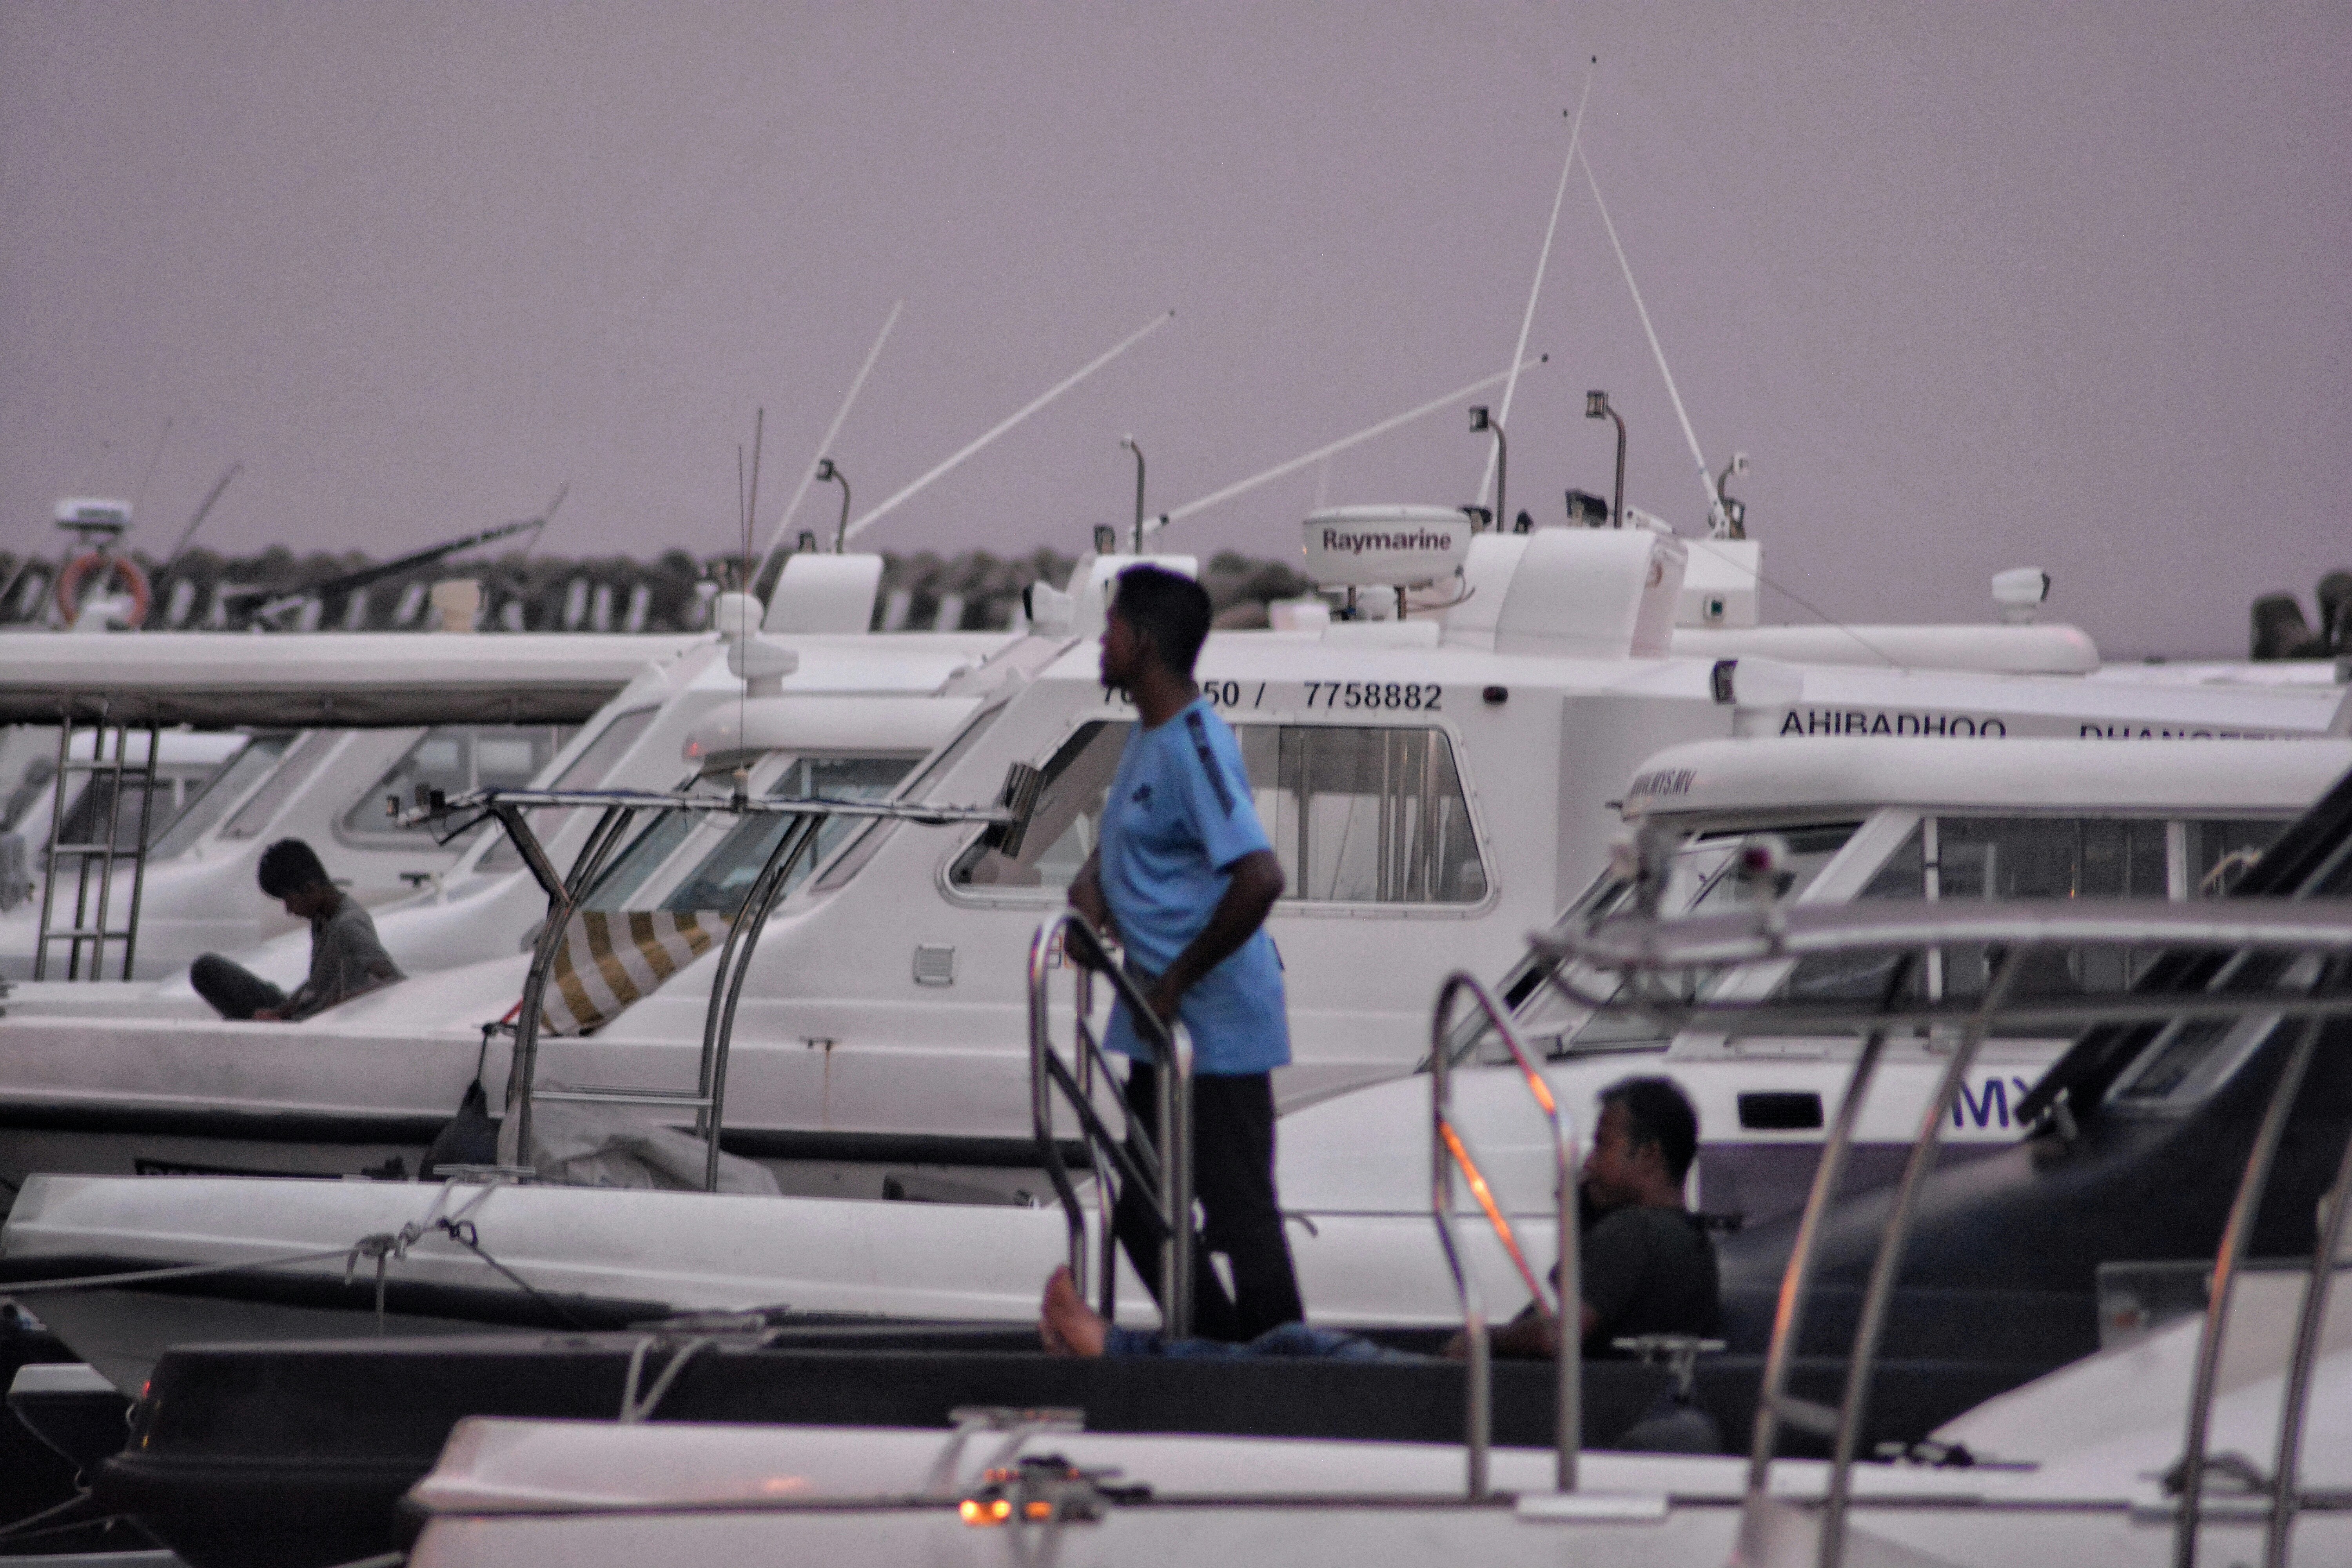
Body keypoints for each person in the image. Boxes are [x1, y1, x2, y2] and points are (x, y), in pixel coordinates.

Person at [1038, 1075, 1719, 1363]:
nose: (1590, 1162)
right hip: (1534, 1395)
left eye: (1603, 1144)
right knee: (1291, 1350)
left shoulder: (1636, 1234)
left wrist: (1480, 1342)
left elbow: (1560, 1334)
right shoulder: (1689, 1245)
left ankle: (1115, 1348)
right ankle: (1118, 1345)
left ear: (1650, 1154)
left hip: (1483, 1399)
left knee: (1294, 1347)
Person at [1067, 564, 1304, 1341]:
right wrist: (1096, 884)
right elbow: (1137, 836)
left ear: (1140, 642)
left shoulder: (1196, 744)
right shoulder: (1147, 738)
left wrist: (1176, 979)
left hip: (1211, 1025)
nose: (1100, 643)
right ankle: (1217, 1353)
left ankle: (1289, 1372)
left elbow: (1260, 876)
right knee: (1141, 1210)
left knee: (1239, 1214)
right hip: (1158, 1024)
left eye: (1109, 630)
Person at [190, 838, 403, 1021]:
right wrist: (280, 1012)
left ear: (311, 889)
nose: (289, 910)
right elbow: (317, 983)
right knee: (207, 970)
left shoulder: (349, 926)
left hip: (312, 1025)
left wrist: (338, 1006)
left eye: (289, 900)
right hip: (299, 1013)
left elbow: (393, 982)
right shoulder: (322, 918)